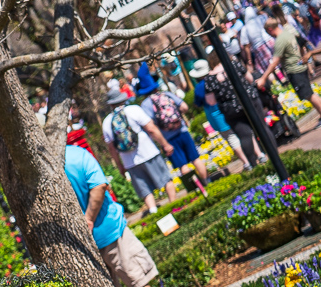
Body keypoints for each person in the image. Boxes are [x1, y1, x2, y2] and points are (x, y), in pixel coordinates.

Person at [63, 143, 162, 287]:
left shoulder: (40, 167)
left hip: (79, 243)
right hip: (109, 230)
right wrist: (89, 219)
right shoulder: (77, 154)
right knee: (136, 279)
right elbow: (100, 185)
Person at [101, 86, 177, 214]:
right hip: (148, 152)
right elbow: (151, 129)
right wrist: (165, 144)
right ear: (122, 99)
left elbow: (112, 149)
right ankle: (175, 207)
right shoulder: (133, 110)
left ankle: (154, 213)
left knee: (145, 191)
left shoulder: (106, 122)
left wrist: (120, 165)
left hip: (129, 161)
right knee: (166, 181)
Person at [135, 63, 210, 192]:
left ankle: (197, 190)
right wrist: (177, 116)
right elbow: (185, 107)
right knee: (196, 159)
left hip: (168, 139)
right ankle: (207, 182)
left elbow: (151, 126)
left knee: (183, 166)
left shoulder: (146, 104)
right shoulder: (165, 95)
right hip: (182, 131)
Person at [258, 16, 321, 127]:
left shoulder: (280, 40)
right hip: (299, 67)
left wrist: (263, 77)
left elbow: (275, 61)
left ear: (270, 29)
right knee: (308, 92)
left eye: (267, 32)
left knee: (308, 95)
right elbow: (301, 42)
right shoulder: (287, 33)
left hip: (294, 70)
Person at [191, 59, 254, 169]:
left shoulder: (200, 87)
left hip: (216, 116)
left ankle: (246, 162)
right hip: (228, 109)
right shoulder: (216, 77)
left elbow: (198, 103)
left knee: (231, 138)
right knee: (244, 132)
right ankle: (256, 155)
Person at [204, 58, 266, 165]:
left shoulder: (210, 78)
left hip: (231, 110)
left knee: (245, 136)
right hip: (249, 100)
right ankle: (264, 155)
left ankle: (252, 164)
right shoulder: (234, 64)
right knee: (262, 129)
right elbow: (250, 79)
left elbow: (211, 101)